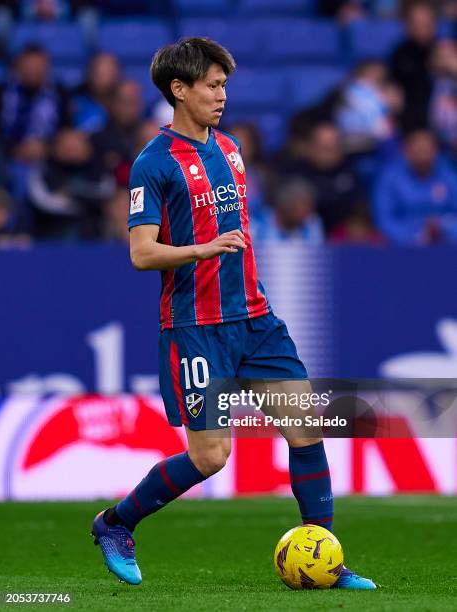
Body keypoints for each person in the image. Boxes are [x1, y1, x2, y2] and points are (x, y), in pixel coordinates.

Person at [90, 37, 376, 591]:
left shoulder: (230, 148)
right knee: (211, 456)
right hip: (196, 328)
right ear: (179, 89)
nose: (223, 96)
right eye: (212, 86)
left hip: (255, 317)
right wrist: (202, 249)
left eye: (225, 86)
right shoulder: (153, 164)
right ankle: (115, 523)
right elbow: (140, 253)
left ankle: (326, 560)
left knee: (306, 425)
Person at [374, 129, 457, 243]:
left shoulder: (448, 173)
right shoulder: (390, 177)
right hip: (402, 249)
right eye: (418, 150)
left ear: (436, 151)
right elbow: (384, 219)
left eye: (427, 150)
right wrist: (415, 236)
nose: (423, 156)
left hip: (447, 246)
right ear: (406, 151)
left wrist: (445, 229)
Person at [390, 0, 437, 131]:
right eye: (417, 22)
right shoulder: (399, 55)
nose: (422, 26)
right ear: (407, 25)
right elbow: (394, 91)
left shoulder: (446, 50)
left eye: (427, 21)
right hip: (411, 122)